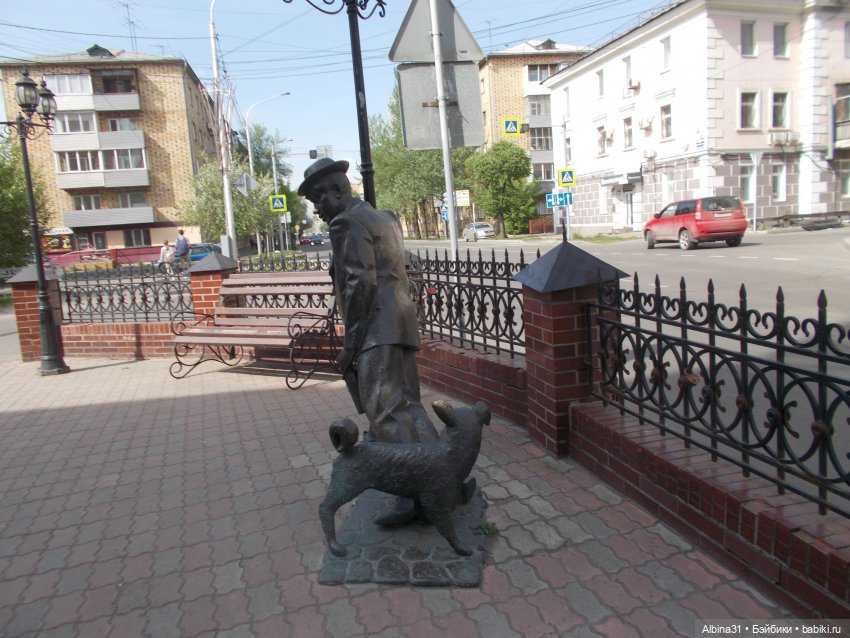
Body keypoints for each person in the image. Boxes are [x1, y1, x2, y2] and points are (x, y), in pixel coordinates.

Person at [298, 157, 439, 524]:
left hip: (377, 329)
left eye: (317, 199)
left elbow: (361, 283)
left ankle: (410, 497)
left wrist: (351, 344)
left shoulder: (345, 222)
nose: (317, 210)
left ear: (335, 190)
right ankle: (443, 482)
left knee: (386, 413)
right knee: (409, 406)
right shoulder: (384, 217)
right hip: (401, 323)